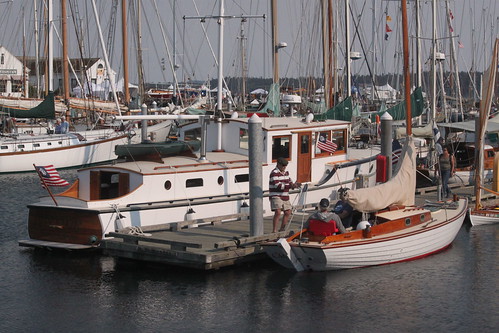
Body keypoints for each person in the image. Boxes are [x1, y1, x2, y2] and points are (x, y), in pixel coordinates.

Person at [269, 157, 301, 233]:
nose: (284, 167)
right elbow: (278, 186)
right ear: (278, 164)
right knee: (278, 212)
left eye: (285, 166)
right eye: (283, 165)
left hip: (285, 195)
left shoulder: (286, 173)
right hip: (276, 195)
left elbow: (290, 182)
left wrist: (294, 185)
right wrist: (290, 186)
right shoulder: (274, 173)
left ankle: (282, 229)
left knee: (288, 212)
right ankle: (274, 231)